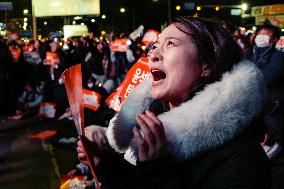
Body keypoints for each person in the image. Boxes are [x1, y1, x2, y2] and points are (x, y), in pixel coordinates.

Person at [77, 17, 270, 189]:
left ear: (207, 65)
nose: (152, 55)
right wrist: (101, 163)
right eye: (155, 45)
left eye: (171, 44)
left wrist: (157, 172)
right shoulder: (151, 123)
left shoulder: (243, 159)